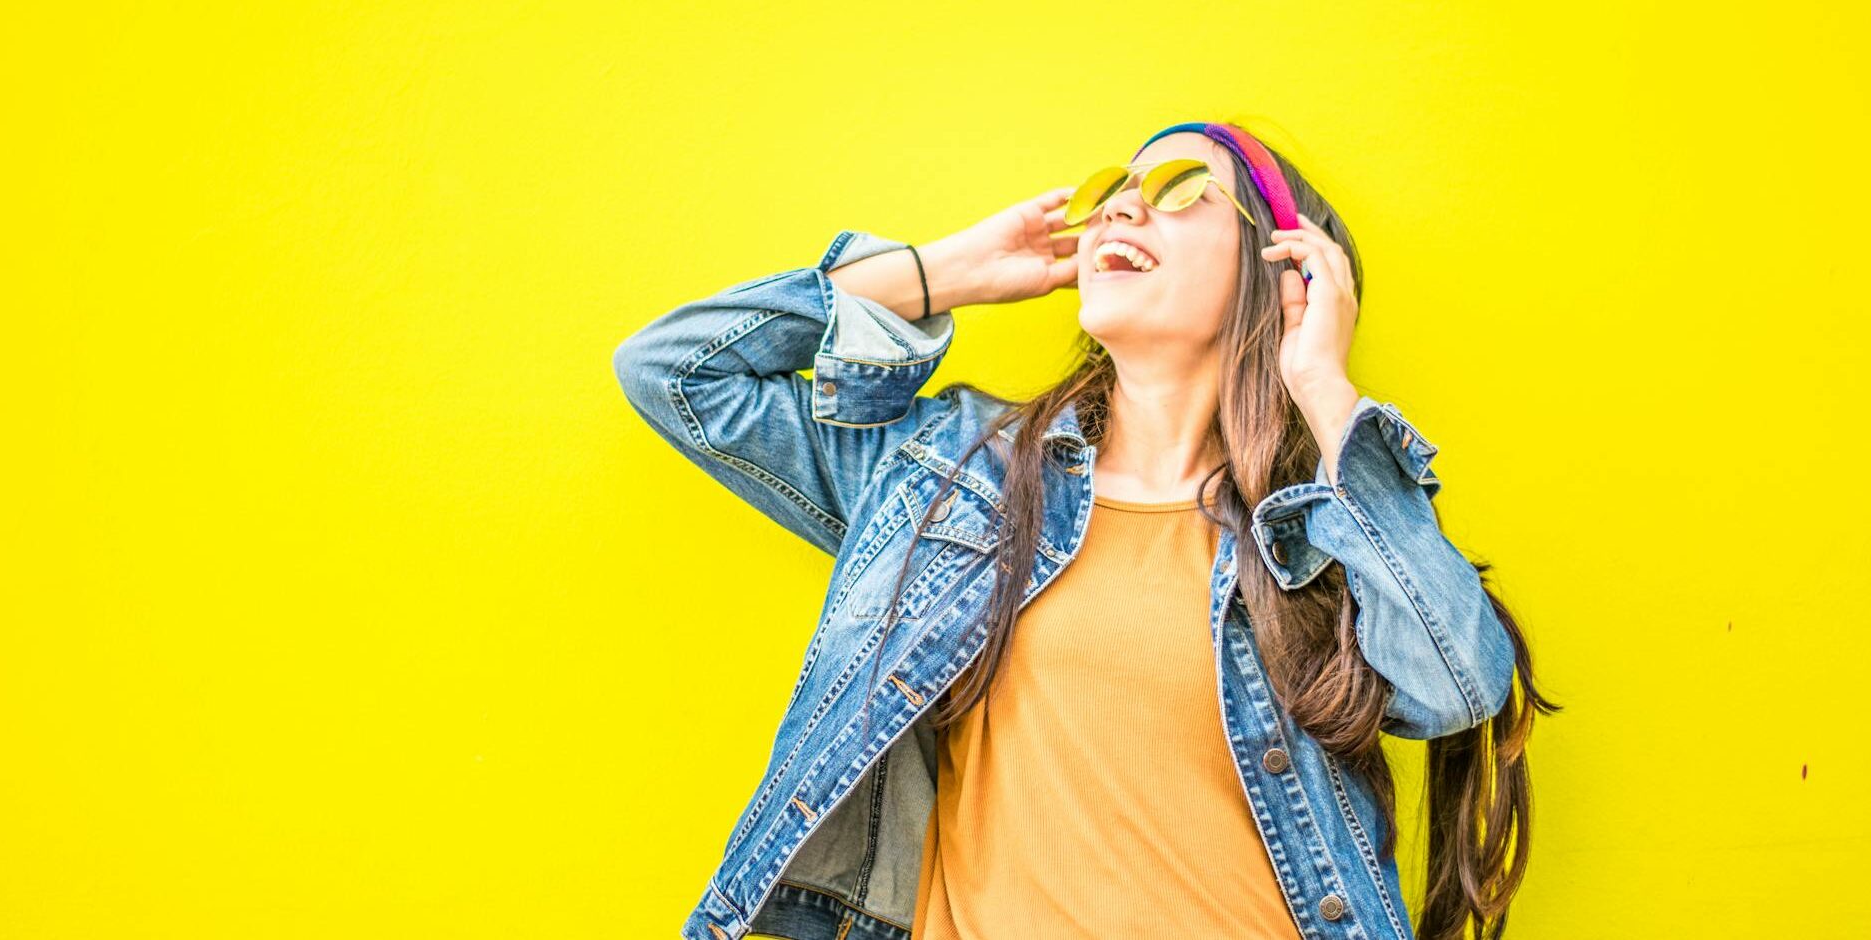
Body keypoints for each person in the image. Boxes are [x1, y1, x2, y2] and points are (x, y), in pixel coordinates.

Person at [614, 120, 1559, 940]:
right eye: (1110, 194)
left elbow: (1458, 684)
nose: (1119, 211)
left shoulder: (1318, 530)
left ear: (1283, 265)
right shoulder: (952, 475)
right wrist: (942, 273)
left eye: (1179, 189)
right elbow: (676, 374)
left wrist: (1325, 387)